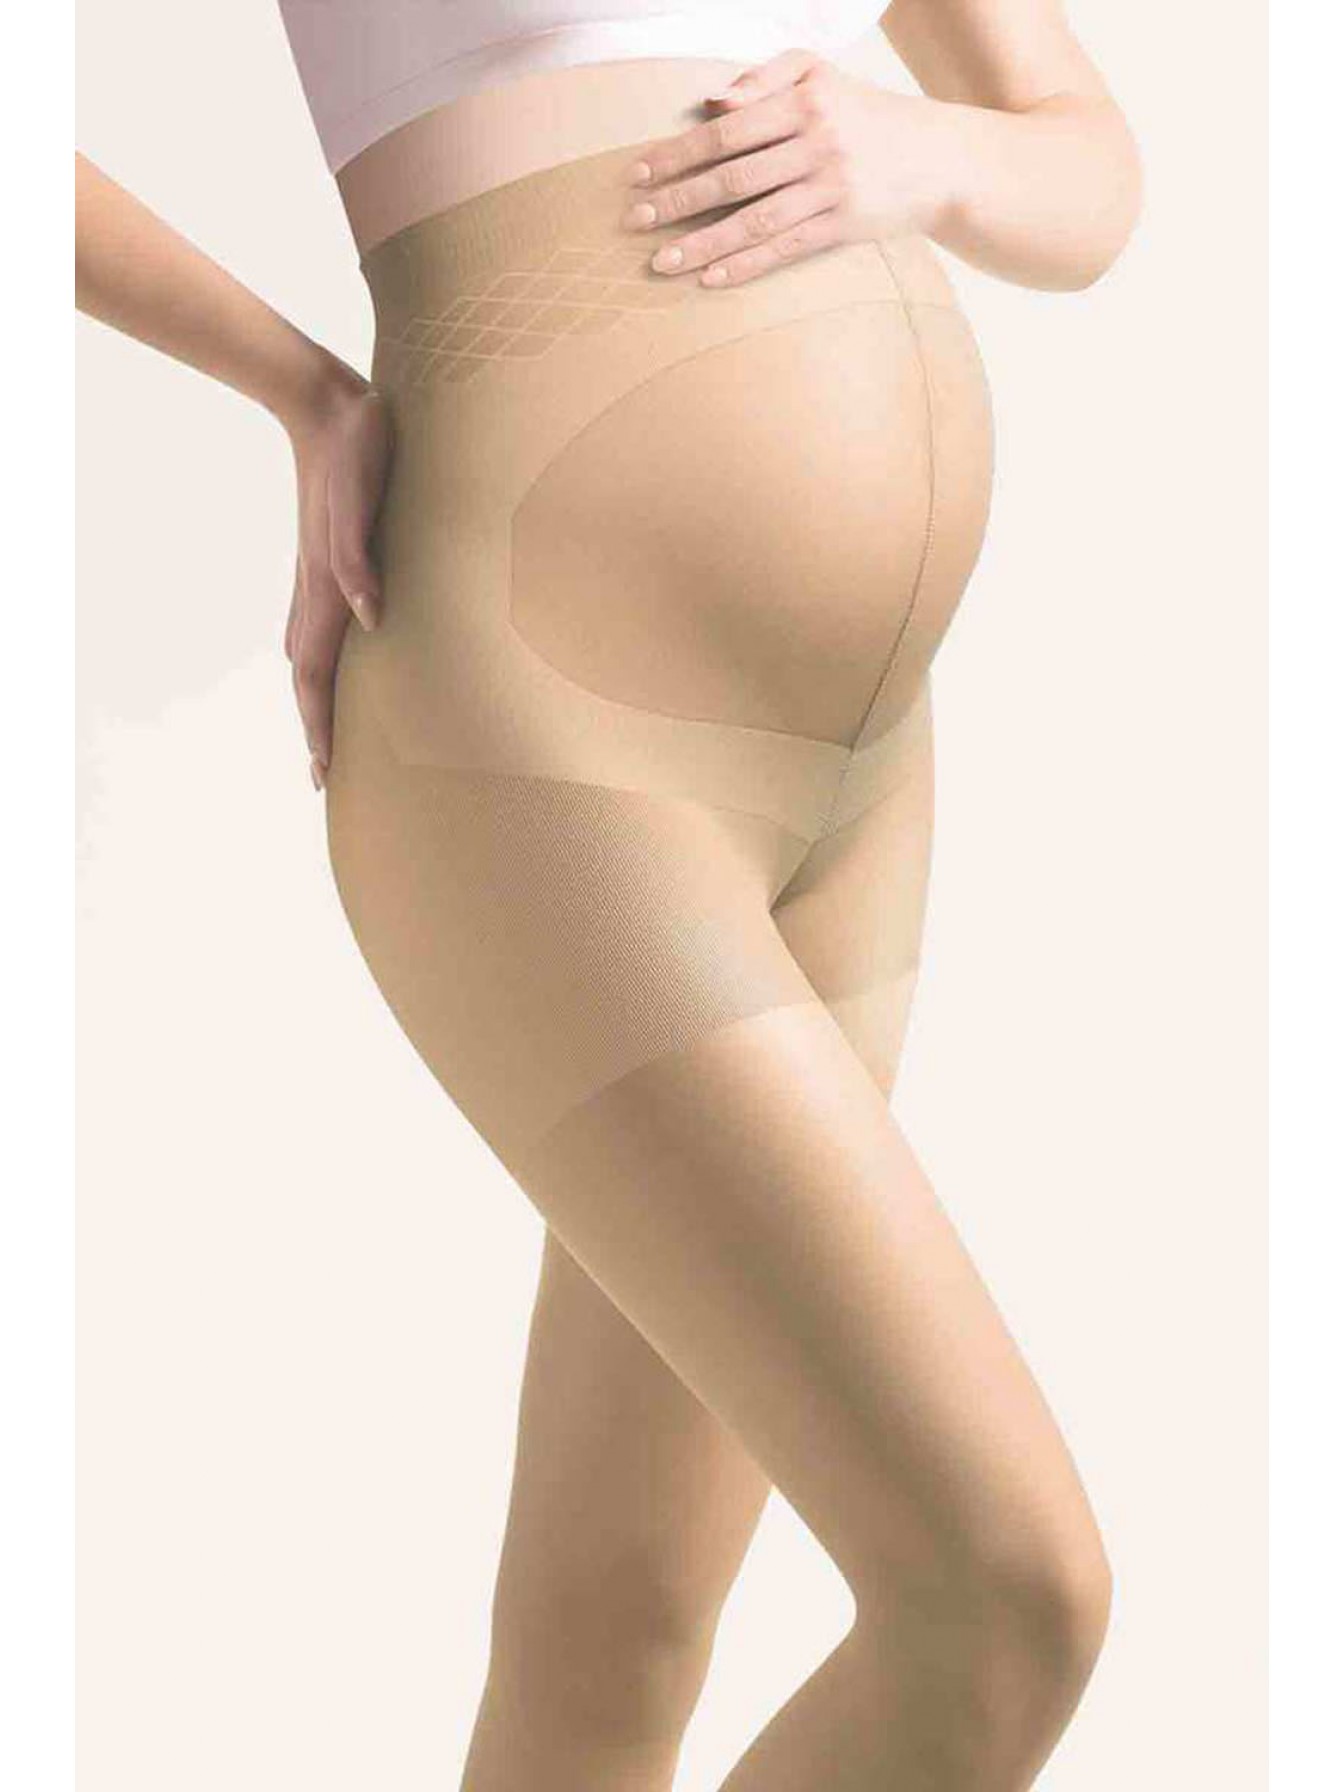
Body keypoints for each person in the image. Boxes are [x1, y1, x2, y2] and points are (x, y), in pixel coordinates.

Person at [76, 4, 1142, 1786]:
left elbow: (1084, 158)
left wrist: (935, 154)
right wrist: (297, 384)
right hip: (544, 736)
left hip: (864, 770)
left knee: (615, 1623)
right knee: (1004, 1595)